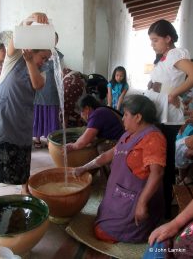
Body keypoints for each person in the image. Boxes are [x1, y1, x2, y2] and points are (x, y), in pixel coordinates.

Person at [0, 12, 52, 198]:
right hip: (1, 112)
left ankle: (24, 187)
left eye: (47, 58)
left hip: (21, 116)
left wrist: (31, 63)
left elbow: (37, 85)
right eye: (43, 56)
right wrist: (29, 20)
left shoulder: (41, 70)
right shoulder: (13, 57)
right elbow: (14, 40)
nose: (45, 61)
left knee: (23, 153)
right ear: (32, 50)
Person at [73, 95, 166, 243]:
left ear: (138, 117)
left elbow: (157, 173)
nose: (122, 119)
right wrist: (83, 168)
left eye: (126, 115)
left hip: (136, 197)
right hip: (121, 193)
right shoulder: (128, 134)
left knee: (103, 233)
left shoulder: (154, 138)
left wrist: (142, 204)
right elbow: (107, 155)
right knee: (101, 223)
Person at [145, 19, 193, 218]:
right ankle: (159, 203)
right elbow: (165, 85)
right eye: (151, 41)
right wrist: (157, 88)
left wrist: (174, 95)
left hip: (167, 115)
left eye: (155, 40)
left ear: (168, 38)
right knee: (159, 159)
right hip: (159, 113)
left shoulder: (175, 53)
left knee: (163, 161)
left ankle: (164, 210)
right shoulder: (164, 58)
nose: (152, 44)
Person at [32, 32, 63, 148]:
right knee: (38, 112)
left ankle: (52, 139)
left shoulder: (58, 55)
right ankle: (37, 138)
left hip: (52, 87)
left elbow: (60, 72)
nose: (52, 41)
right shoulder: (37, 52)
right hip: (39, 87)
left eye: (55, 39)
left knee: (51, 113)